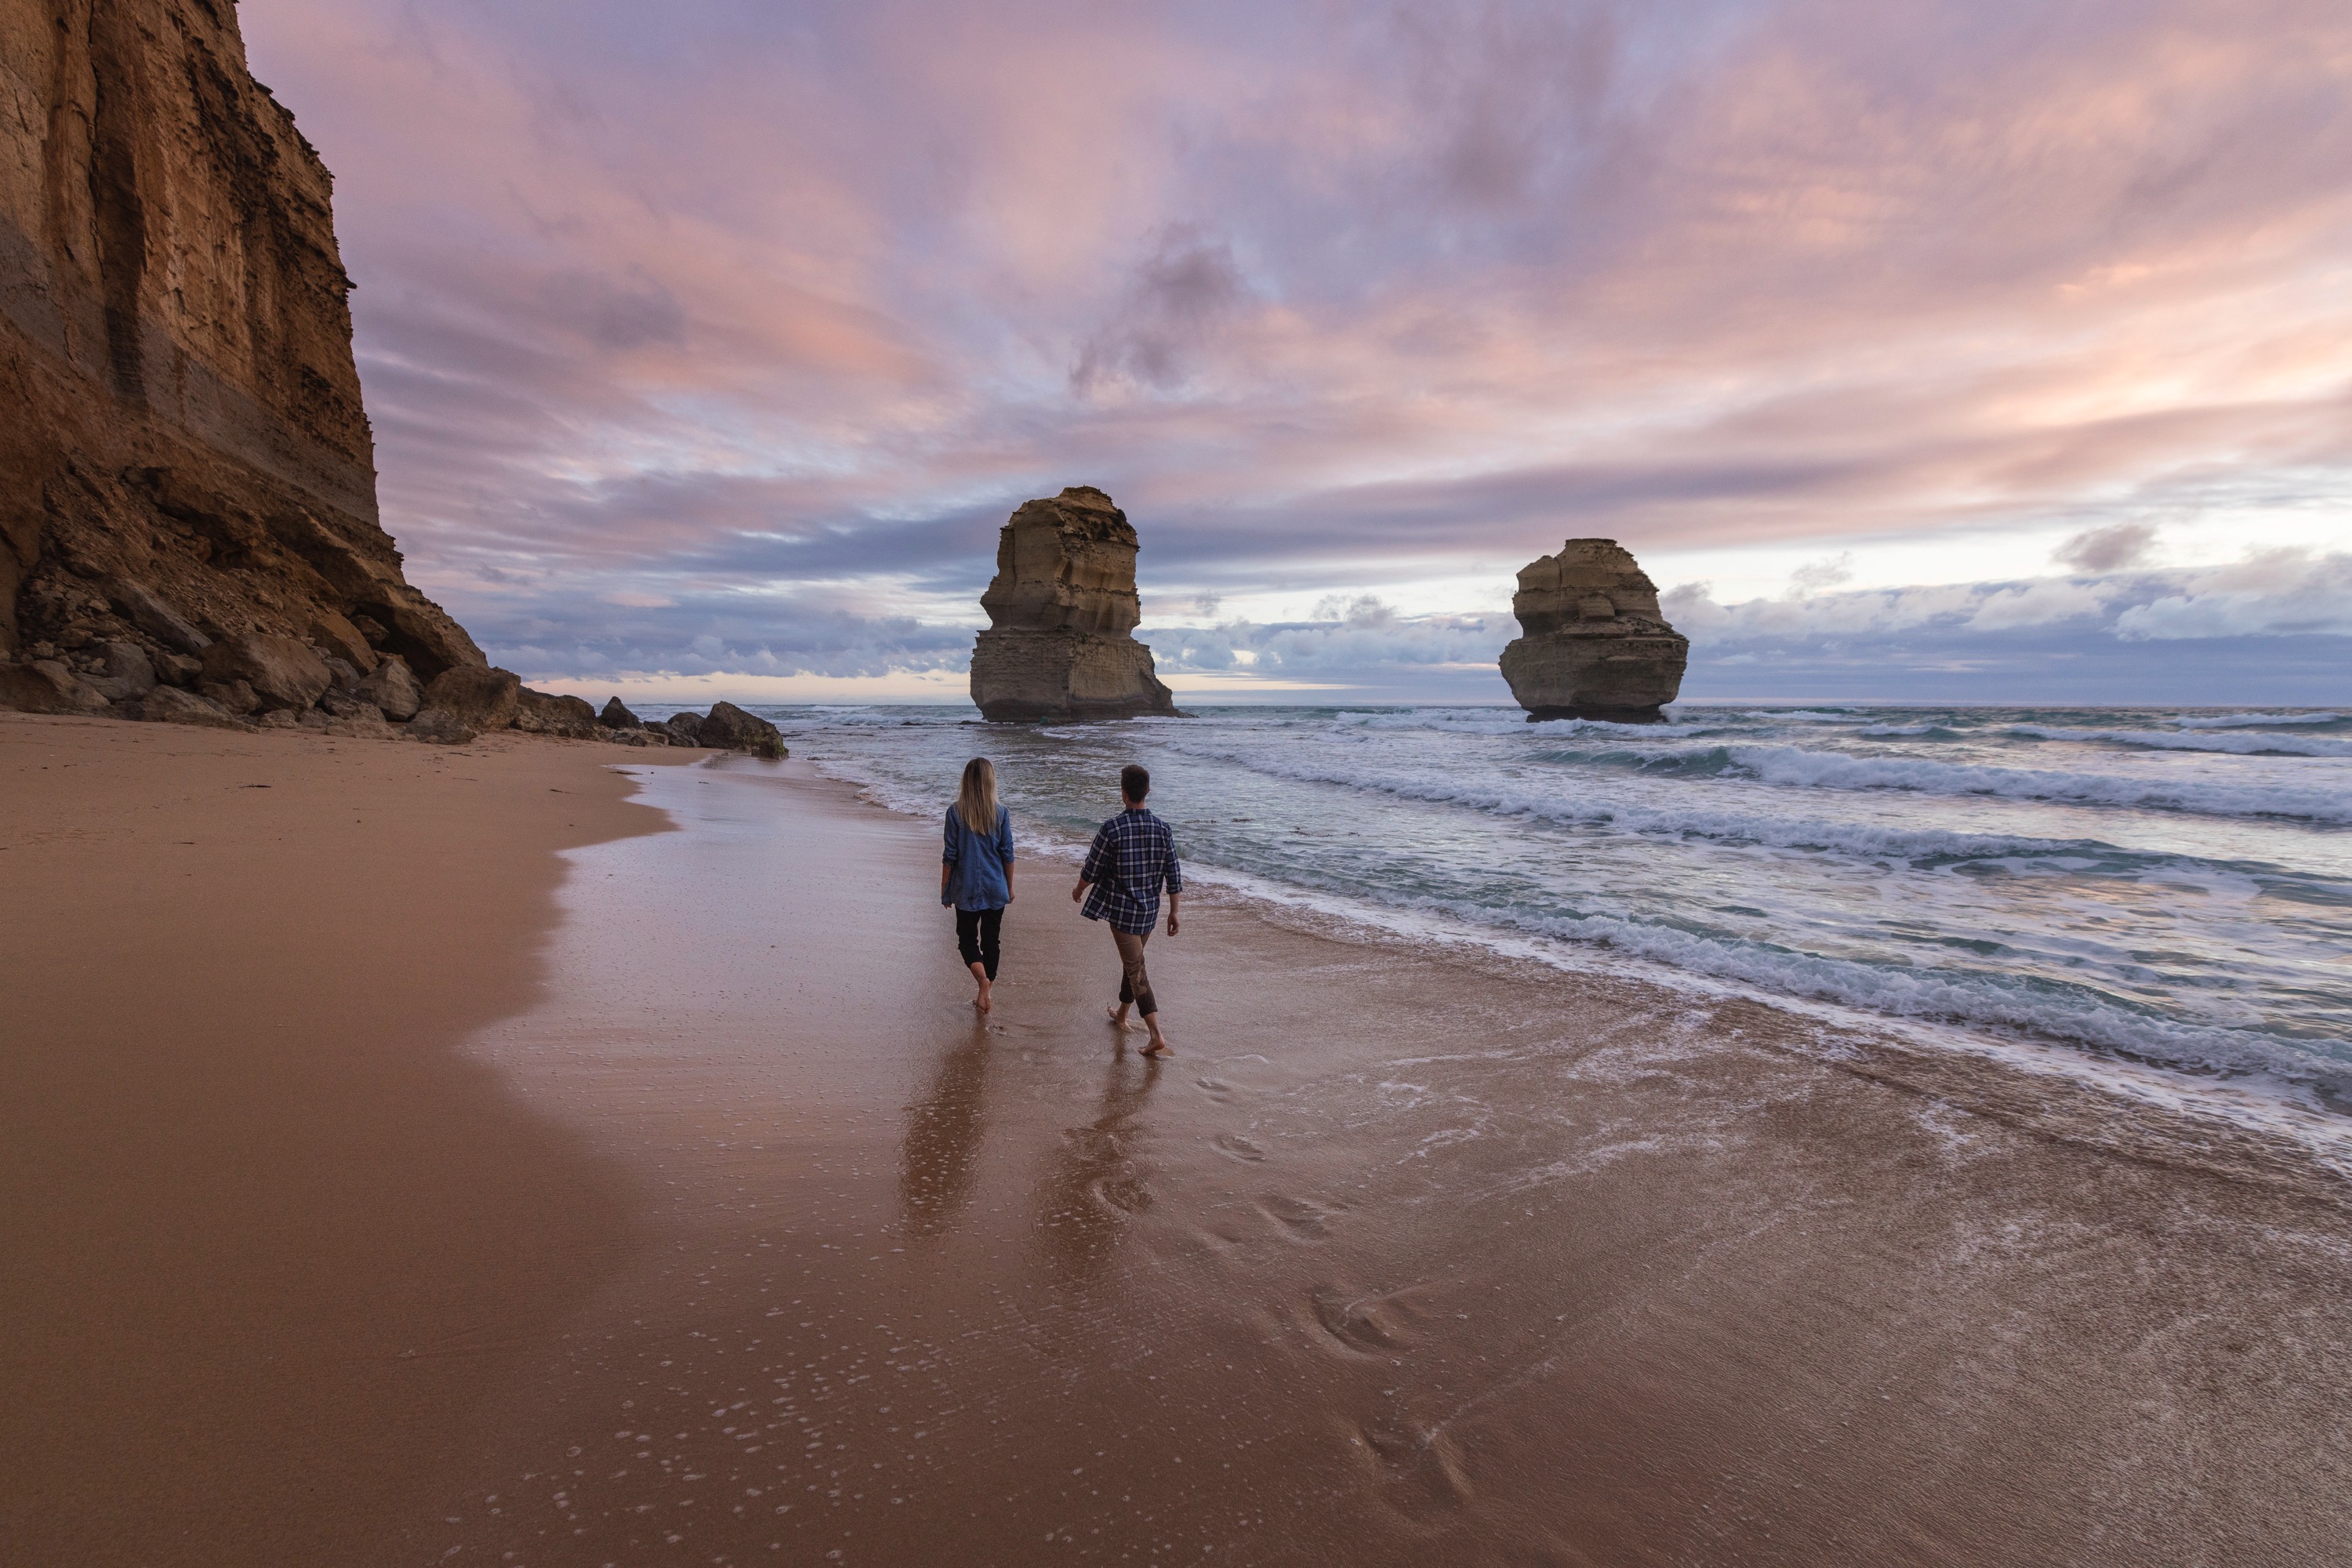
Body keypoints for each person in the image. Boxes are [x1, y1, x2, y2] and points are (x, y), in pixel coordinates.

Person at [1071, 763, 1181, 1057]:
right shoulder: (1163, 829)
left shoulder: (1113, 828)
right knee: (1133, 963)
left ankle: (1157, 1035)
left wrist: (1079, 889)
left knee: (1136, 969)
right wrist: (1174, 912)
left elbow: (1092, 868)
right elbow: (1174, 874)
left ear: (1123, 793)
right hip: (1149, 913)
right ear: (1147, 791)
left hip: (1122, 913)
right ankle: (1121, 1015)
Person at [941, 757, 1014, 1014]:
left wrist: (945, 889)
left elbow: (950, 855)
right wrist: (1010, 887)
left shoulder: (955, 812)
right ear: (990, 781)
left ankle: (983, 983)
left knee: (967, 941)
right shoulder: (1001, 813)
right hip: (996, 887)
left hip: (966, 888)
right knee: (991, 942)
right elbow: (1008, 854)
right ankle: (987, 991)